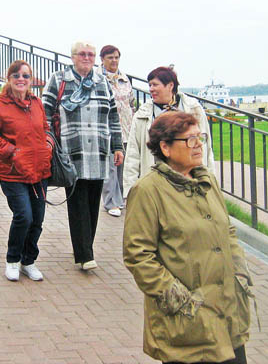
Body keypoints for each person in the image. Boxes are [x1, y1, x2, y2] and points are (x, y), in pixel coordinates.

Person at [123, 111, 252, 364]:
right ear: (166, 148)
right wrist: (182, 301)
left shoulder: (207, 181)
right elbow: (138, 256)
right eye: (190, 140)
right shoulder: (148, 191)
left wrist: (239, 274)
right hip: (187, 322)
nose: (199, 146)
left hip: (227, 312)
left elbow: (228, 230)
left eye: (200, 138)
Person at [42, 41, 124, 271]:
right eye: (82, 54)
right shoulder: (59, 79)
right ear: (73, 57)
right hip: (72, 150)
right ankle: (85, 254)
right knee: (77, 203)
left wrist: (118, 146)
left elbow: (113, 117)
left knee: (92, 203)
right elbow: (45, 111)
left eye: (90, 54)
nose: (87, 58)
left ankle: (85, 247)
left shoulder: (102, 83)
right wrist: (48, 141)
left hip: (98, 151)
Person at [0, 60, 52, 282]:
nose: (21, 79)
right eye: (17, 75)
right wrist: (11, 151)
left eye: (26, 76)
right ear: (9, 79)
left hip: (39, 171)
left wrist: (48, 144)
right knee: (24, 216)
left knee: (37, 219)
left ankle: (28, 261)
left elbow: (46, 128)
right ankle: (13, 260)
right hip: (13, 172)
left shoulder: (37, 103)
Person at [122, 66, 214, 198]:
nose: (151, 89)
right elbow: (132, 155)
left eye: (155, 85)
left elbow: (207, 148)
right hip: (157, 184)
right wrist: (129, 192)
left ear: (170, 85)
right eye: (150, 85)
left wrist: (209, 182)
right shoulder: (142, 114)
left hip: (190, 179)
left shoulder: (193, 109)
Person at [99, 45, 136, 217]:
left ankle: (120, 199)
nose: (114, 61)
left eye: (116, 57)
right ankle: (110, 202)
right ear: (102, 59)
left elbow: (131, 103)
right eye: (110, 57)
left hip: (126, 129)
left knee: (123, 167)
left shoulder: (125, 79)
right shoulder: (97, 78)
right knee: (110, 167)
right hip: (107, 130)